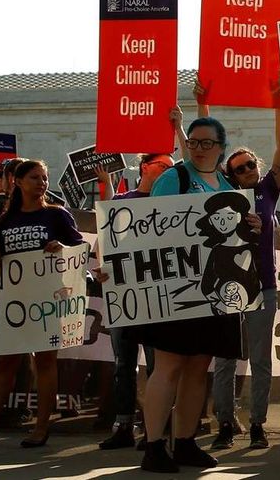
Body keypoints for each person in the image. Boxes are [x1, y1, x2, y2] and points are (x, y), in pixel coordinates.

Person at [136, 110, 261, 473]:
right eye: (194, 142)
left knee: (198, 367)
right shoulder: (172, 177)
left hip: (215, 294)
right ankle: (155, 445)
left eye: (208, 143)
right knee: (168, 366)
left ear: (221, 148)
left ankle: (186, 441)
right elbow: (149, 226)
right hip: (176, 290)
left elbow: (235, 238)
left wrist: (250, 224)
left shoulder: (227, 187)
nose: (200, 148)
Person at [0, 159, 86, 448]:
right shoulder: (7, 219)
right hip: (13, 302)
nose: (42, 183)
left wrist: (63, 247)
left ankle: (41, 428)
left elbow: (80, 249)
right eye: (35, 178)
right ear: (18, 182)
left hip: (46, 302)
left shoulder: (57, 215)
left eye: (44, 178)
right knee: (4, 364)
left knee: (45, 362)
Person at [211, 86, 280, 452]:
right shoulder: (222, 195)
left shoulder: (268, 190)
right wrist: (201, 107)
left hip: (264, 286)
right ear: (230, 174)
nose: (245, 170)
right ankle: (225, 423)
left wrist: (279, 106)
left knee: (260, 359)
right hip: (228, 285)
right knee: (225, 360)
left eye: (249, 165)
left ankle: (258, 423)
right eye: (238, 168)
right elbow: (202, 153)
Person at [96, 154, 173, 450]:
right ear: (144, 167)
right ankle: (124, 426)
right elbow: (106, 242)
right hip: (123, 295)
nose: (167, 172)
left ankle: (155, 429)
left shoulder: (170, 205)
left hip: (157, 296)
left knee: (158, 366)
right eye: (162, 167)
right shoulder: (122, 201)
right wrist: (102, 269)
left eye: (170, 169)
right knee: (124, 364)